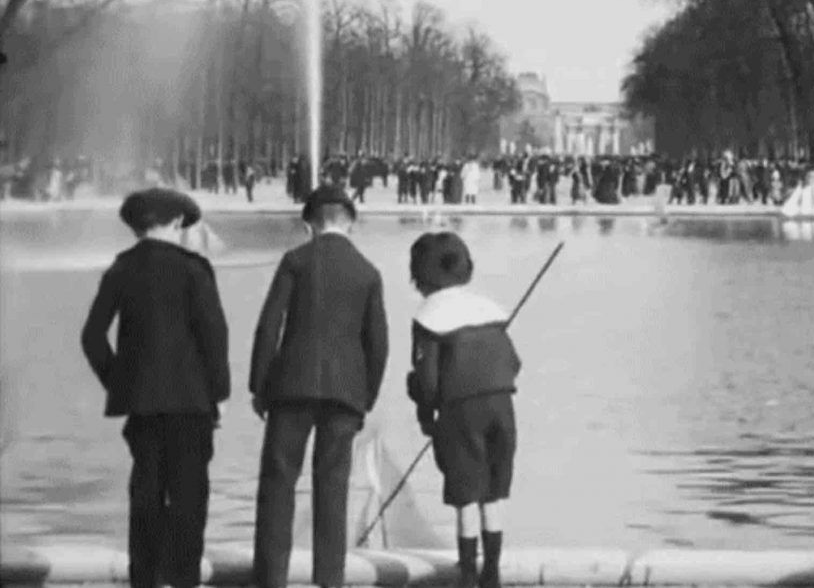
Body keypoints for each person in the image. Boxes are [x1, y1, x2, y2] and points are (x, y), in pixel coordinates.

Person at [81, 187, 230, 588]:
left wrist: (121, 384)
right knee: (189, 498)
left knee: (145, 495)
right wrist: (219, 394)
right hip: (191, 402)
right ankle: (183, 579)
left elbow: (92, 337)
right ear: (179, 222)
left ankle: (143, 578)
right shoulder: (194, 269)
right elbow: (213, 336)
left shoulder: (121, 268)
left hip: (142, 406)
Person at [249, 184, 389, 588]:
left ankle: (270, 579)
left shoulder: (295, 260)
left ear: (308, 224)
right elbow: (378, 343)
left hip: (290, 388)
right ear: (352, 224)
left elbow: (269, 325)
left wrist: (259, 384)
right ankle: (330, 580)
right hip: (345, 395)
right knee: (333, 489)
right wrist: (366, 396)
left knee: (277, 484)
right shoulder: (368, 272)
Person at [406, 232, 521, 588]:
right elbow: (514, 363)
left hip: (460, 413)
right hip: (503, 408)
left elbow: (427, 382)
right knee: (494, 493)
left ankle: (468, 573)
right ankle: (493, 572)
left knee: (466, 496)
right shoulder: (490, 312)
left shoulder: (428, 319)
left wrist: (426, 416)